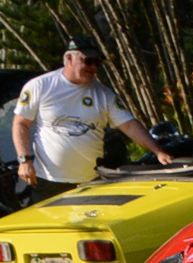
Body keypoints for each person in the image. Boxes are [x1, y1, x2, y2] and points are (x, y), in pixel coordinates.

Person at [12, 38, 167, 203]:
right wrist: (24, 160)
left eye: (97, 63)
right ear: (69, 59)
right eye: (88, 61)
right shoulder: (41, 86)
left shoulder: (103, 94)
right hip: (49, 181)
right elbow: (21, 123)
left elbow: (129, 125)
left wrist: (158, 151)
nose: (93, 68)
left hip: (91, 181)